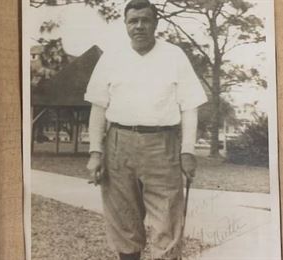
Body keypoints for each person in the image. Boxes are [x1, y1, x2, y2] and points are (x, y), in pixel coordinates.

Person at [84, 0, 207, 259]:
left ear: (155, 24)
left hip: (162, 145)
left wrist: (187, 152)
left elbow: (190, 107)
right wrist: (95, 152)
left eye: (145, 20)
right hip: (118, 143)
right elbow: (97, 108)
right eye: (133, 21)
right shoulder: (112, 57)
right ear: (126, 24)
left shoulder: (174, 56)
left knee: (167, 219)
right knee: (124, 220)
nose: (139, 26)